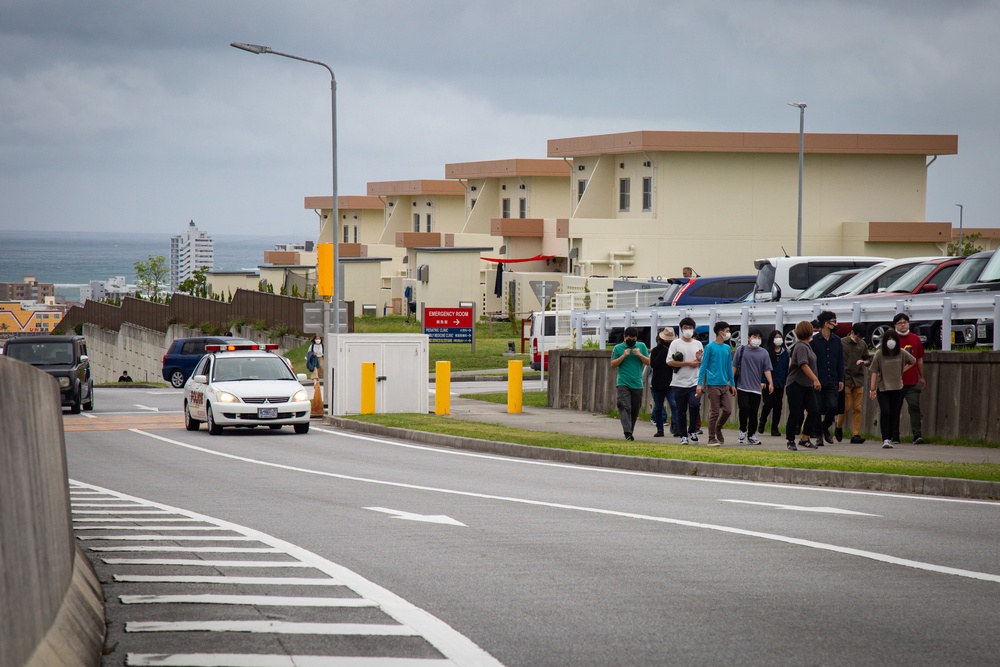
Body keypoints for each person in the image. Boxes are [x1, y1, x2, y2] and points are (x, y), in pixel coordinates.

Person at [869, 329, 916, 449]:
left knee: (894, 413)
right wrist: (872, 388)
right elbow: (874, 370)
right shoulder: (879, 354)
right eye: (888, 339)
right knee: (885, 412)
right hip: (883, 388)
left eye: (893, 339)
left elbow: (913, 361)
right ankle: (885, 438)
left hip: (897, 387)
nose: (891, 342)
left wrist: (902, 371)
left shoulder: (901, 352)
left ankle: (890, 437)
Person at [696, 321, 735, 446]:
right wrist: (699, 384)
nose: (728, 333)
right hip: (712, 384)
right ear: (720, 332)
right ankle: (711, 438)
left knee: (728, 410)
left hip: (724, 384)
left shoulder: (727, 348)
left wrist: (732, 384)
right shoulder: (709, 347)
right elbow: (703, 366)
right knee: (715, 412)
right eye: (727, 331)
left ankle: (718, 427)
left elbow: (729, 367)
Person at [785, 320, 822, 451]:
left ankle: (805, 438)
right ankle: (790, 440)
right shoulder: (800, 346)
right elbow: (803, 365)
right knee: (796, 413)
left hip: (806, 386)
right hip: (796, 384)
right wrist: (815, 380)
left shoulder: (808, 346)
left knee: (814, 410)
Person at [810, 311, 845, 445]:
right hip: (818, 379)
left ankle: (825, 428)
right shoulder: (814, 341)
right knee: (817, 408)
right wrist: (813, 379)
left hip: (832, 379)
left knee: (833, 406)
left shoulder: (837, 341)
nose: (835, 324)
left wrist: (840, 378)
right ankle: (819, 435)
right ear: (826, 323)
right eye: (833, 321)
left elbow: (840, 361)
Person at [733, 329, 773, 445]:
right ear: (749, 337)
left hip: (756, 388)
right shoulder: (741, 350)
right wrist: (731, 382)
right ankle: (742, 430)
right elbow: (734, 366)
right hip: (742, 386)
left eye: (759, 337)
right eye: (754, 336)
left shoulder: (764, 353)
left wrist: (770, 382)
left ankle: (751, 434)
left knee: (754, 412)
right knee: (744, 408)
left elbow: (767, 369)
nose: (757, 339)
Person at [667, 317, 703, 445]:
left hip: (694, 381)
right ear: (681, 329)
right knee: (681, 410)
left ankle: (692, 430)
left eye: (690, 328)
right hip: (678, 382)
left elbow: (701, 364)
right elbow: (669, 361)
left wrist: (699, 359)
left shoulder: (697, 344)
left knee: (694, 405)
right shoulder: (675, 344)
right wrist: (687, 363)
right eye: (686, 328)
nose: (688, 330)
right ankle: (683, 435)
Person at [610, 326, 649, 441]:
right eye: (629, 338)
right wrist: (624, 355)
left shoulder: (641, 346)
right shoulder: (618, 348)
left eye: (633, 338)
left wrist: (639, 355)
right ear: (624, 337)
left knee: (635, 409)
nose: (631, 340)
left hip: (637, 383)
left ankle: (630, 430)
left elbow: (648, 362)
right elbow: (613, 364)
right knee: (624, 406)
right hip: (623, 382)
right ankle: (627, 432)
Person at [893, 313, 926, 444]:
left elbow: (919, 359)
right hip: (896, 381)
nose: (903, 325)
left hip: (912, 381)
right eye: (900, 323)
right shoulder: (892, 339)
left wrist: (922, 377)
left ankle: (917, 434)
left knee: (914, 407)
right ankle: (894, 435)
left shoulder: (915, 339)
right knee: (895, 409)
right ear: (895, 325)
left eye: (905, 322)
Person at [837, 323, 871, 443]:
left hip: (858, 379)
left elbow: (869, 359)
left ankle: (855, 434)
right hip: (845, 378)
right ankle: (838, 426)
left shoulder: (862, 344)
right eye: (857, 336)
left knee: (858, 408)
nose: (858, 339)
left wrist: (864, 362)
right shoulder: (841, 343)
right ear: (852, 332)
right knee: (845, 407)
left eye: (860, 337)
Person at [758, 329, 788, 437]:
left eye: (780, 337)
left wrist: (785, 380)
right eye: (776, 337)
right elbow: (763, 367)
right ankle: (762, 421)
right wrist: (763, 380)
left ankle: (775, 428)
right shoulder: (766, 351)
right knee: (768, 404)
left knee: (778, 406)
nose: (778, 339)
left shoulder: (784, 353)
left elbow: (785, 368)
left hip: (780, 383)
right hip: (768, 383)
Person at [648, 328, 676, 438]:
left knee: (674, 405)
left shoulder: (674, 350)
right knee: (658, 407)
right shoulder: (656, 350)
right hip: (658, 383)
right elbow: (654, 364)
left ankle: (676, 427)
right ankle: (660, 429)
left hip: (671, 383)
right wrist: (664, 351)